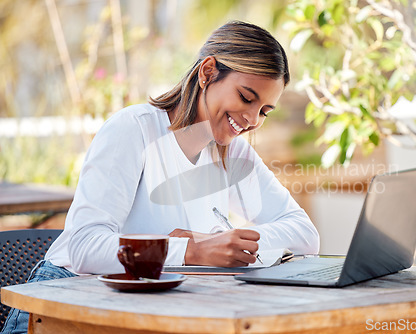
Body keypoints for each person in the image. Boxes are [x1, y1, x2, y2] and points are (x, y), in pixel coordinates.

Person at [1, 20, 319, 333]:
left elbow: (305, 234)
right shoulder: (134, 130)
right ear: (207, 72)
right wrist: (191, 250)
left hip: (142, 309)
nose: (251, 120)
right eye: (246, 98)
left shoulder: (233, 154)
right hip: (61, 302)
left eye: (264, 111)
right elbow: (85, 247)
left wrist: (224, 244)